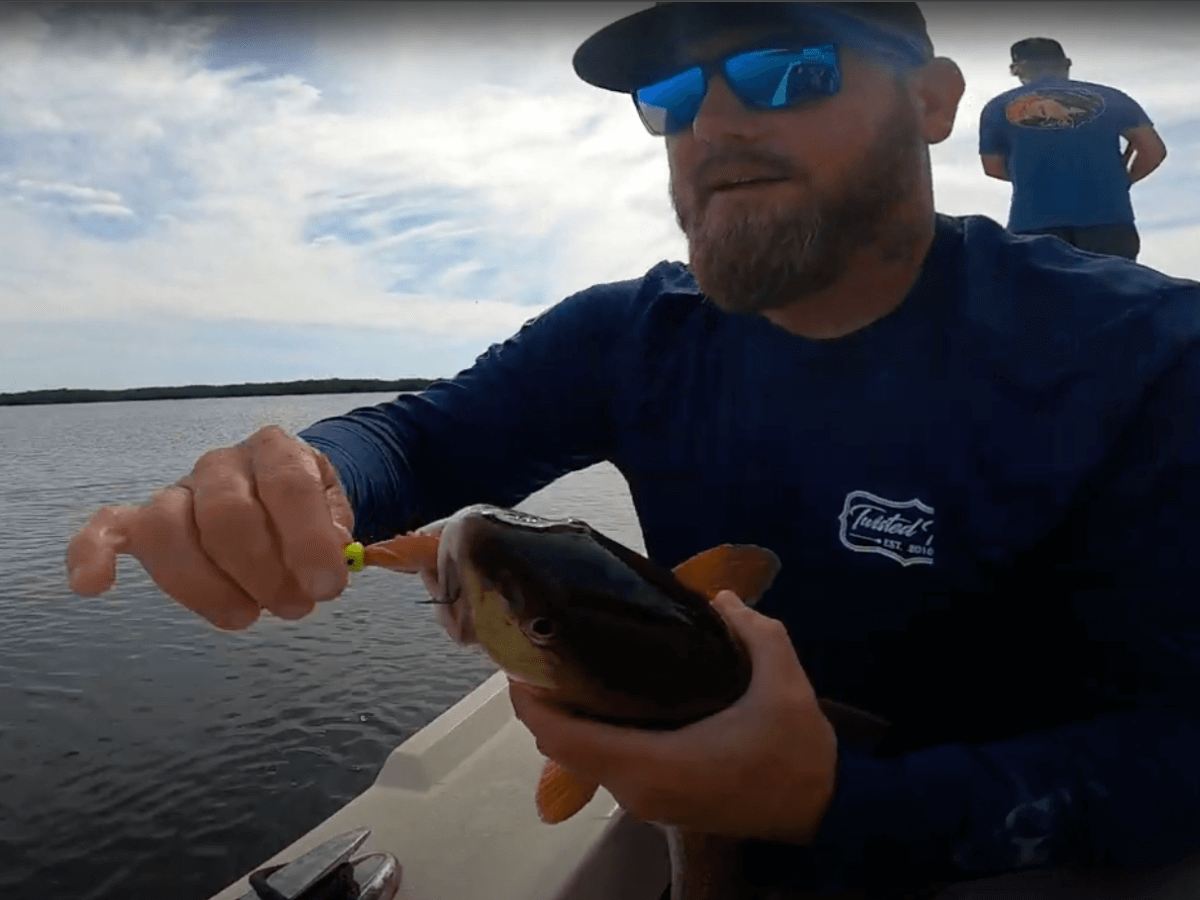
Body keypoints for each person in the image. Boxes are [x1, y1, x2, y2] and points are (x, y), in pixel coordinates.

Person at [66, 3, 1200, 897]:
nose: (712, 124)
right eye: (668, 96)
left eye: (783, 70)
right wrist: (310, 478)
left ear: (936, 101)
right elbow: (413, 440)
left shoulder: (1144, 355)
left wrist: (831, 802)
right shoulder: (629, 334)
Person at [978, 36, 1168, 261]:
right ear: (1066, 64)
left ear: (1016, 69)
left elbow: (992, 167)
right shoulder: (1112, 98)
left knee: (1043, 296)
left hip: (1033, 224)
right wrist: (1123, 180)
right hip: (1109, 223)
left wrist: (1038, 176)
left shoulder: (997, 108)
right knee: (1108, 295)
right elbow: (1153, 151)